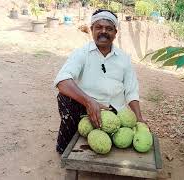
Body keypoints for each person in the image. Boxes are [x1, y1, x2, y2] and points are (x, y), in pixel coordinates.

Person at [53, 9, 145, 154]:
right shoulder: (81, 53)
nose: (103, 32)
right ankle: (67, 144)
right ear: (91, 30)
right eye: (99, 27)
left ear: (115, 33)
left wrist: (139, 118)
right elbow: (62, 81)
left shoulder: (124, 58)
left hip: (115, 113)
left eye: (109, 28)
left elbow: (131, 90)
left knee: (120, 143)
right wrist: (89, 102)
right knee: (65, 97)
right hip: (87, 111)